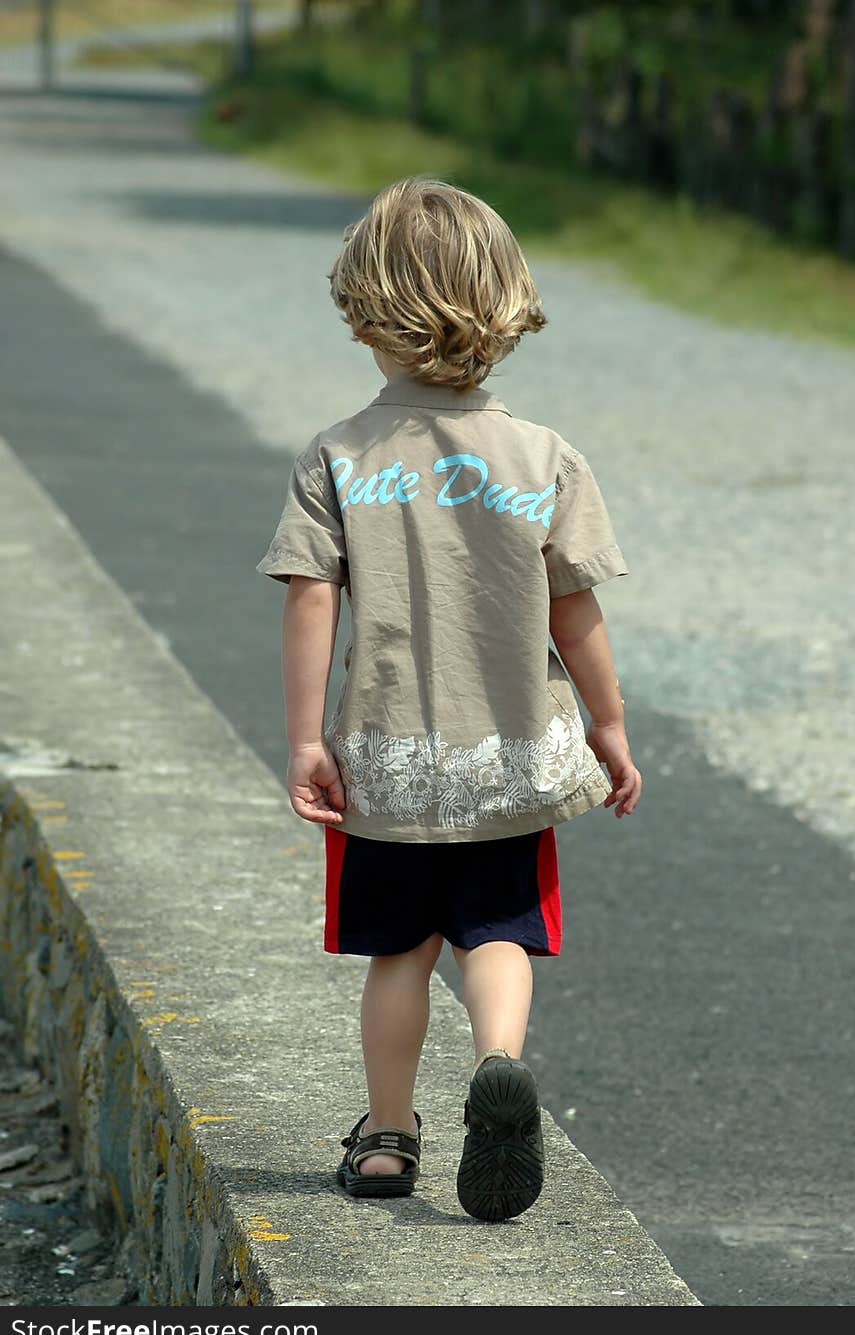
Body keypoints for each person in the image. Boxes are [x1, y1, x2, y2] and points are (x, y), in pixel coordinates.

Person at [255, 176, 641, 1222]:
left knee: (399, 951)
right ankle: (498, 1067)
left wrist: (304, 741)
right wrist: (605, 725)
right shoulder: (544, 457)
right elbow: (575, 613)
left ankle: (386, 1139)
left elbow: (309, 600)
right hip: (507, 759)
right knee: (500, 933)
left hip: (386, 760)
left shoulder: (338, 455)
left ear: (363, 312)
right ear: (506, 308)